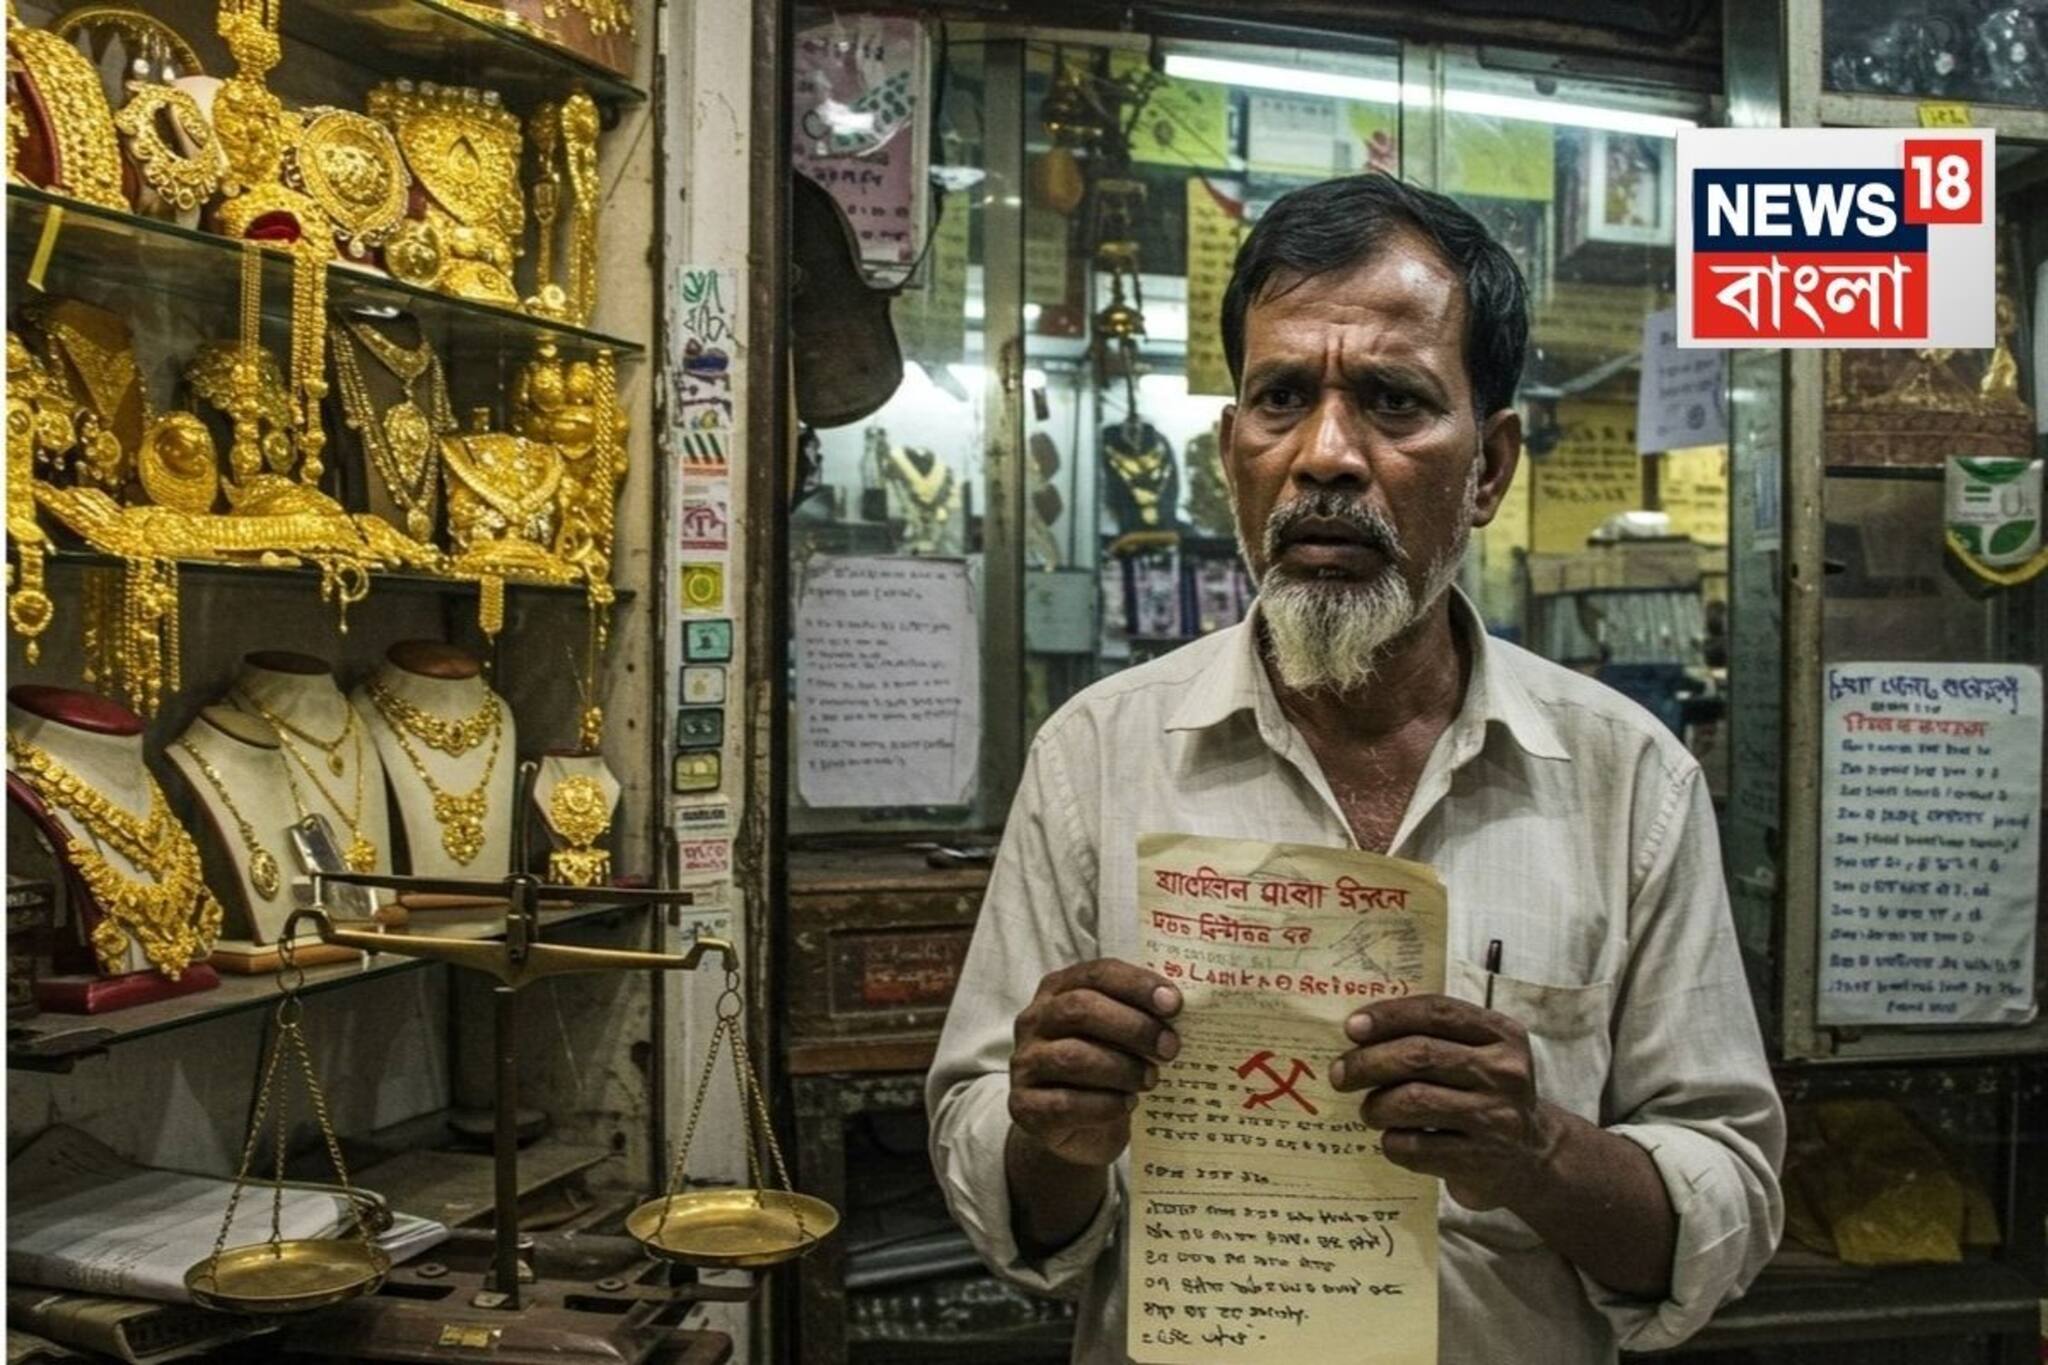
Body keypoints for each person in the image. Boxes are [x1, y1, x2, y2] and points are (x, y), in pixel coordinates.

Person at [925, 172, 1784, 1363]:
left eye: (1390, 401)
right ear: (1233, 453)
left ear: (1488, 468)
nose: (1325, 455)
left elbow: (1722, 1208)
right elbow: (1007, 1194)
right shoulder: (1095, 754)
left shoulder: (1625, 778)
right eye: (1280, 398)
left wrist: (1535, 1152)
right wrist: (1054, 1135)